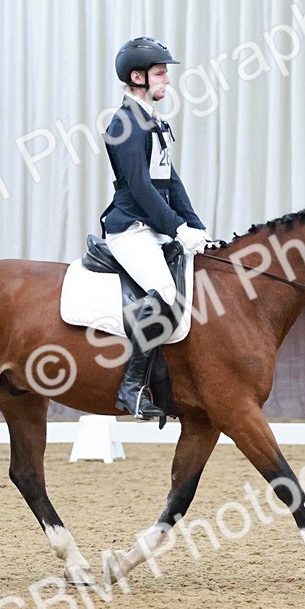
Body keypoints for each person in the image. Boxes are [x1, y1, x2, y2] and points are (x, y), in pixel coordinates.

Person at [101, 36, 211, 420]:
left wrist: (196, 227)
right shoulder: (123, 123)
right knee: (164, 294)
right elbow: (140, 187)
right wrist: (178, 228)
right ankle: (131, 389)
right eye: (161, 73)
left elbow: (170, 181)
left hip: (155, 227)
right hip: (130, 228)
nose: (167, 80)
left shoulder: (153, 120)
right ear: (137, 77)